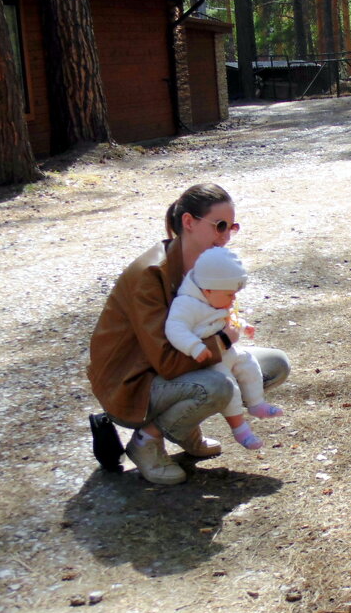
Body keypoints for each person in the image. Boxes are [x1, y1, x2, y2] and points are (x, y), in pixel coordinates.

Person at [87, 183, 290, 485]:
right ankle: (146, 444)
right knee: (219, 385)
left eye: (231, 227)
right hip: (134, 383)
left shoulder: (206, 266)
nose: (225, 236)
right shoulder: (151, 273)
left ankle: (186, 428)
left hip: (178, 368)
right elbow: (166, 362)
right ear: (188, 222)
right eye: (219, 226)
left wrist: (231, 330)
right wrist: (222, 341)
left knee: (274, 364)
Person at [165, 246, 284, 450]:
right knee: (229, 386)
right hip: (210, 361)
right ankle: (240, 429)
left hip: (228, 353)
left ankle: (256, 403)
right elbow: (174, 328)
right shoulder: (187, 304)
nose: (233, 299)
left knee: (248, 361)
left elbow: (228, 318)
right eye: (230, 294)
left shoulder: (216, 299)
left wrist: (243, 326)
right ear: (208, 289)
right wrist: (194, 347)